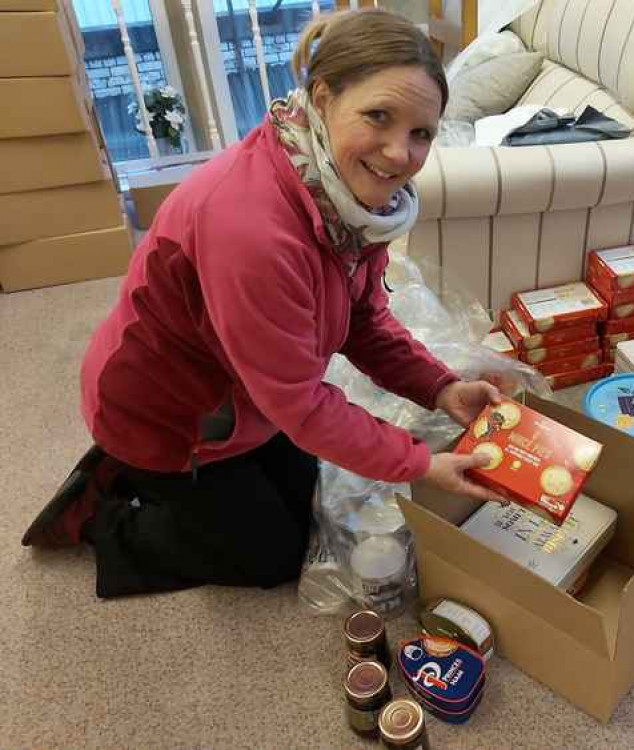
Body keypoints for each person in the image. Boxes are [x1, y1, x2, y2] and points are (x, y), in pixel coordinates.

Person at [21, 8, 503, 598]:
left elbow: (362, 321)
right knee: (272, 555)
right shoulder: (252, 228)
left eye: (421, 132)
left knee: (308, 502)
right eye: (379, 116)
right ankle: (100, 511)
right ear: (323, 98)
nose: (400, 153)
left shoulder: (350, 199)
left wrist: (438, 387)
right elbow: (299, 403)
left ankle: (167, 483)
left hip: (245, 390)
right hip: (167, 416)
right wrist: (420, 464)